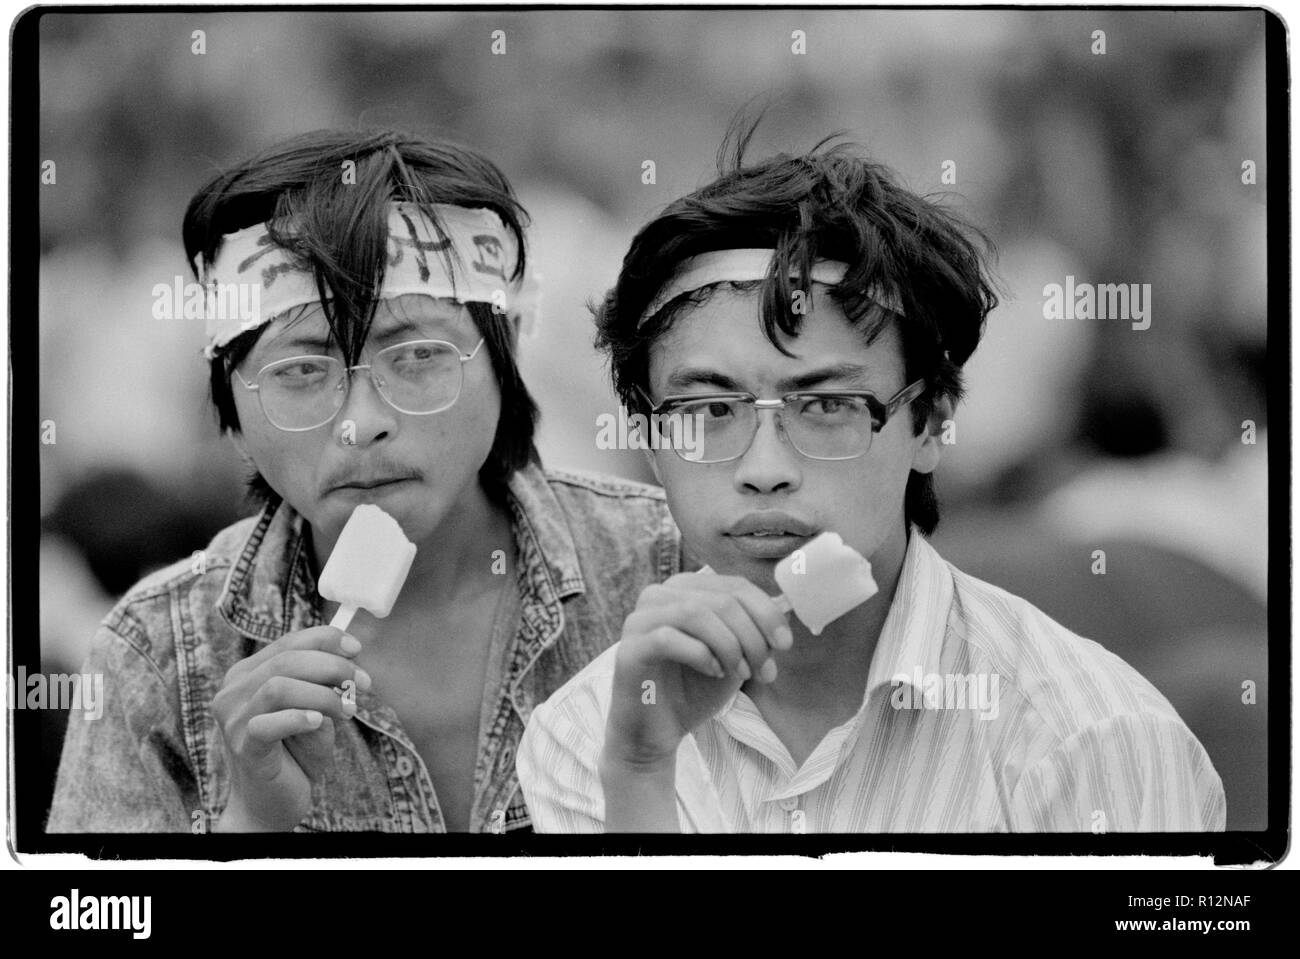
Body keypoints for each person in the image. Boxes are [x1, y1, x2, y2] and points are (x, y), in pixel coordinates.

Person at [516, 123, 1227, 832]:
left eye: (826, 405)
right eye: (709, 409)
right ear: (646, 433)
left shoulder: (1089, 741)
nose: (765, 469)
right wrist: (640, 775)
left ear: (928, 421)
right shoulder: (590, 735)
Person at [47, 129, 682, 833]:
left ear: (502, 363)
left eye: (416, 355)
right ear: (230, 403)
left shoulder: (665, 566)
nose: (362, 422)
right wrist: (250, 825)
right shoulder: (154, 656)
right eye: (301, 370)